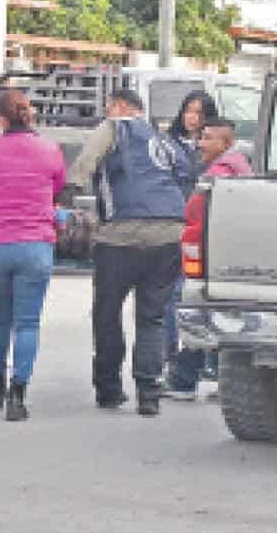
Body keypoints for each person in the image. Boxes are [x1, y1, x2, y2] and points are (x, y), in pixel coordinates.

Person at [66, 88, 190, 416]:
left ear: (120, 107)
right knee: (152, 317)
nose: (107, 113)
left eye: (109, 108)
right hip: (170, 233)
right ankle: (149, 393)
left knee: (107, 313)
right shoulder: (164, 140)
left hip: (121, 233)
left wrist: (66, 198)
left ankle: (108, 388)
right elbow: (184, 178)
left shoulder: (114, 128)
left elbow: (84, 164)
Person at [0, 89, 66, 422]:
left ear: (1, 119)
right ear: (31, 116)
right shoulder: (50, 150)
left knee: (0, 316)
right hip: (35, 245)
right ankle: (18, 394)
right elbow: (56, 189)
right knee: (27, 323)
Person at [158, 91, 218, 400]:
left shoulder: (213, 153)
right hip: (175, 224)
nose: (191, 117)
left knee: (195, 298)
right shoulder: (169, 144)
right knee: (172, 295)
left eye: (199, 112)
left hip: (198, 230)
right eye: (188, 111)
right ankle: (171, 352)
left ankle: (201, 362)